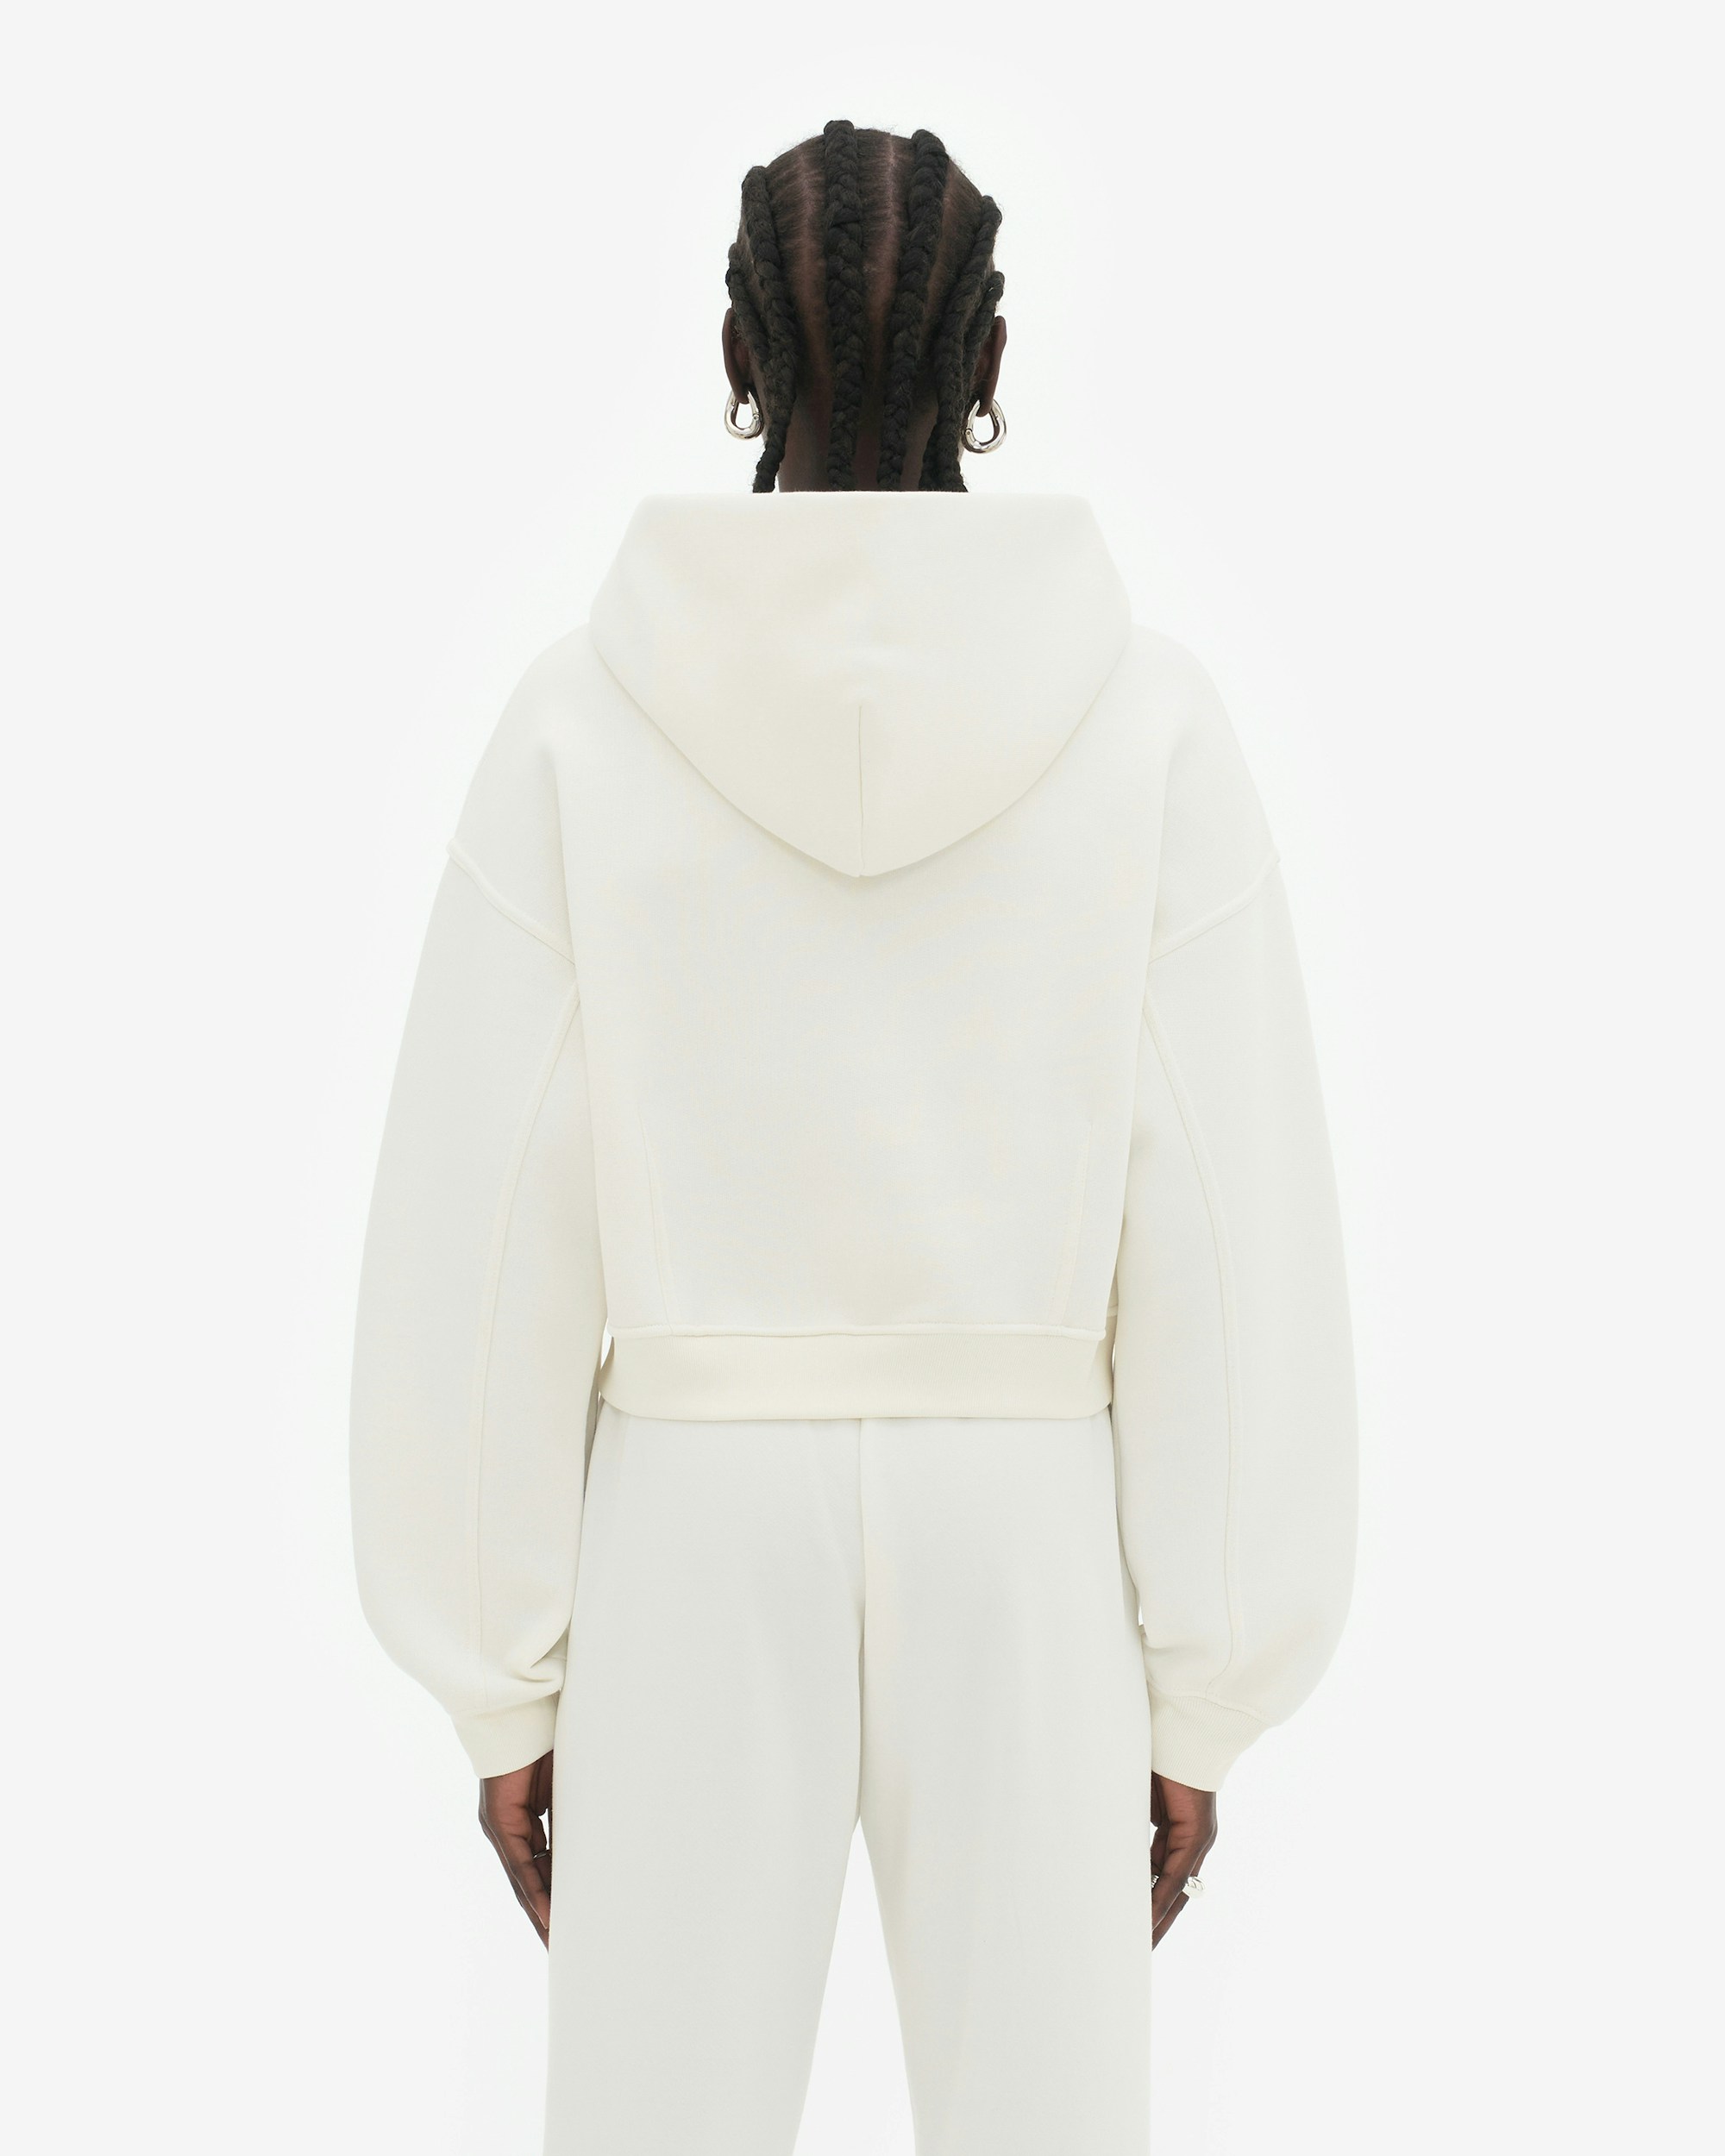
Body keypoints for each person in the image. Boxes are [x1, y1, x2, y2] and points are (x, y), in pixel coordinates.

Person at [351, 119, 1356, 2156]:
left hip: (689, 1514)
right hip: (1030, 1523)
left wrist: (496, 1671)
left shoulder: (579, 723)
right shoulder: (1146, 728)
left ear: (740, 361)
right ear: (989, 368)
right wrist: (1207, 1681)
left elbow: (490, 1214)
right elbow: (1223, 1222)